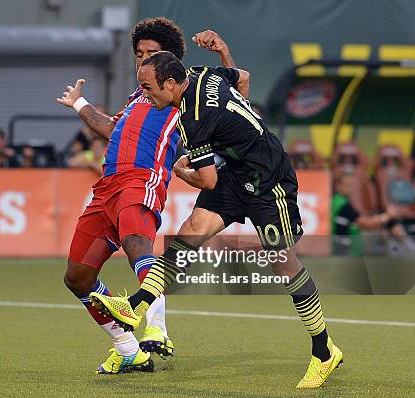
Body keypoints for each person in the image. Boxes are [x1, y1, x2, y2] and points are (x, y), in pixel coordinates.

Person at [90, 51, 344, 389]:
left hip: (269, 182)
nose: (144, 95)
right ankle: (136, 306)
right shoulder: (201, 73)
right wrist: (224, 52)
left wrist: (181, 172)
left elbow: (207, 180)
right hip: (236, 175)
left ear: (169, 83)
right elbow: (243, 78)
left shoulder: (195, 117)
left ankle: (324, 351)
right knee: (190, 233)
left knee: (284, 264)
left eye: (148, 88)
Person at [57, 17, 236, 374]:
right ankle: (128, 349)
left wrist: (224, 56)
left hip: (143, 179)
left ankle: (157, 328)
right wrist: (80, 105)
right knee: (77, 276)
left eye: (151, 53)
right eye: (139, 53)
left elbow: (232, 90)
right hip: (106, 188)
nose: (142, 60)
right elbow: (111, 127)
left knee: (138, 244)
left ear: (171, 64)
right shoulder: (140, 96)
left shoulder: (184, 92)